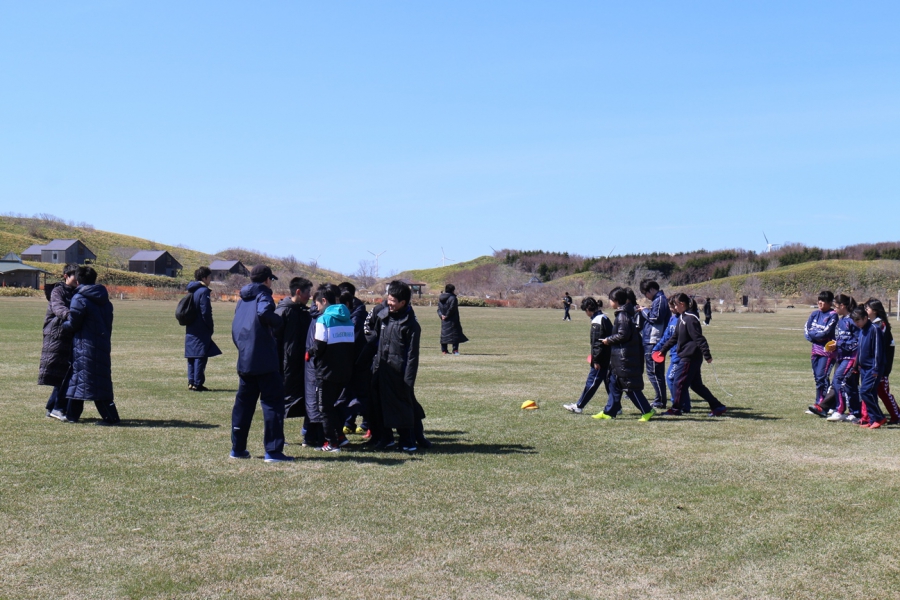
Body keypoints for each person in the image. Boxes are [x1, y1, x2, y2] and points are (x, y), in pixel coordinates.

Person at [229, 265, 292, 462]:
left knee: (244, 405)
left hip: (246, 359)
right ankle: (273, 451)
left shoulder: (241, 300)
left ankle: (238, 449)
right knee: (272, 403)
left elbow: (236, 328)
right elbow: (265, 313)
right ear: (266, 279)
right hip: (264, 360)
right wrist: (278, 322)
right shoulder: (263, 295)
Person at [370, 280, 425, 451]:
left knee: (402, 407)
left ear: (403, 302)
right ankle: (386, 439)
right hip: (381, 370)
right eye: (389, 299)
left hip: (399, 373)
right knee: (379, 405)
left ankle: (407, 440)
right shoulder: (383, 317)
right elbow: (375, 342)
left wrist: (408, 379)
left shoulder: (411, 325)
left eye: (393, 301)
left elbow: (412, 355)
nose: (389, 303)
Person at [61, 266, 120, 424]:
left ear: (78, 280)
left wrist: (63, 324)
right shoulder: (104, 298)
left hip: (85, 343)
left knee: (90, 379)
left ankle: (111, 417)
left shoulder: (79, 298)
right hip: (101, 342)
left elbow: (74, 323)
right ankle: (72, 415)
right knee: (83, 378)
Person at [656, 293, 727, 417]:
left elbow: (699, 339)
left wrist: (707, 355)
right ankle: (717, 406)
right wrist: (663, 350)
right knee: (696, 385)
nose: (674, 308)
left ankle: (676, 409)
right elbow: (675, 337)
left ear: (682, 304)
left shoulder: (690, 318)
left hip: (690, 357)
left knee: (678, 382)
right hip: (687, 356)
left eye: (675, 305)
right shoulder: (682, 317)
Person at [592, 287, 654, 421]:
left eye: (610, 299)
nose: (609, 302)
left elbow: (623, 335)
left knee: (629, 387)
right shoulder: (623, 313)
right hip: (619, 357)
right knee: (613, 384)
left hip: (624, 357)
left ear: (615, 301)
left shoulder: (622, 316)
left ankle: (647, 410)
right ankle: (609, 412)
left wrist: (609, 340)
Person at [308, 283, 356, 452]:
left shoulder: (324, 319)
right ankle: (340, 437)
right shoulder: (348, 318)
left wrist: (309, 353)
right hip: (344, 370)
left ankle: (331, 442)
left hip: (326, 370)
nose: (316, 307)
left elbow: (319, 345)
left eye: (317, 304)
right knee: (333, 405)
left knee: (324, 408)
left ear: (323, 301)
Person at [810, 295, 860, 421]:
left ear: (843, 306)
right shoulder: (841, 320)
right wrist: (834, 345)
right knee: (849, 385)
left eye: (836, 306)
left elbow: (857, 342)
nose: (834, 309)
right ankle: (855, 412)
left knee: (838, 381)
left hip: (851, 357)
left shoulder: (853, 321)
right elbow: (841, 339)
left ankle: (839, 410)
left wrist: (839, 344)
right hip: (841, 356)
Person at [40, 264, 78, 421]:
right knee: (66, 374)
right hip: (57, 335)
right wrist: (73, 316)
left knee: (66, 373)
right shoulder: (58, 291)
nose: (79, 280)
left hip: (69, 335)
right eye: (76, 276)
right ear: (66, 276)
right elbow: (58, 308)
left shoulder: (76, 292)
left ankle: (52, 407)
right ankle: (58, 407)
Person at [563, 297, 612, 414]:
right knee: (609, 383)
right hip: (609, 356)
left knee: (592, 382)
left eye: (585, 311)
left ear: (589, 309)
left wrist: (596, 360)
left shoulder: (597, 321)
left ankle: (579, 406)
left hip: (602, 358)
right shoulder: (604, 317)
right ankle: (615, 406)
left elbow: (597, 343)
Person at [274, 277, 312, 419]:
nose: (310, 296)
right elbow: (275, 340)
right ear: (298, 292)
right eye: (307, 292)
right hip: (286, 363)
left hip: (300, 362)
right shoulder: (283, 312)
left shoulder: (303, 312)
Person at [338, 281, 369, 434]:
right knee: (348, 392)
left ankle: (366, 423)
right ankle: (348, 422)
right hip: (348, 360)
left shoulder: (358, 313)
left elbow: (354, 337)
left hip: (358, 359)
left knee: (360, 392)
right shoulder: (351, 311)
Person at [184, 266, 222, 392]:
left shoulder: (191, 290)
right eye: (209, 277)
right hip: (201, 328)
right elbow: (205, 311)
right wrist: (210, 326)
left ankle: (191, 382)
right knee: (200, 355)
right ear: (204, 278)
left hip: (190, 327)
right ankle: (198, 383)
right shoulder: (203, 291)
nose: (210, 279)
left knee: (191, 355)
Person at [637, 279, 670, 409]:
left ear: (651, 290)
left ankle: (661, 400)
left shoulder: (660, 300)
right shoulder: (658, 300)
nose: (646, 297)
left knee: (654, 372)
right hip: (651, 340)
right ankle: (659, 399)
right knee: (655, 372)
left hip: (654, 340)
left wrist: (644, 310)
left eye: (646, 293)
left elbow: (655, 318)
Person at [864, 299, 898, 423]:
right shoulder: (869, 324)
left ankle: (897, 415)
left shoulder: (881, 325)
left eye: (867, 308)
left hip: (881, 366)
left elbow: (881, 348)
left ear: (875, 311)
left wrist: (882, 367)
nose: (865, 310)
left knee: (883, 391)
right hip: (871, 365)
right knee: (870, 391)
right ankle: (870, 416)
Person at [852, 306, 886, 429]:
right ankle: (872, 420)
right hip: (863, 368)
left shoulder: (874, 329)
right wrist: (856, 366)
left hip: (873, 368)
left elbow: (878, 350)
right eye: (854, 321)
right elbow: (859, 350)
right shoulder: (861, 330)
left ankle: (879, 417)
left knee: (865, 391)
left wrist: (876, 369)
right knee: (870, 393)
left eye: (858, 321)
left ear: (865, 318)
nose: (856, 323)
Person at [653, 296, 689, 412]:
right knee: (680, 381)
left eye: (672, 306)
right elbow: (666, 337)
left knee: (671, 378)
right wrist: (657, 349)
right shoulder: (672, 319)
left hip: (681, 355)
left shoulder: (685, 318)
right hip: (674, 355)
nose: (671, 309)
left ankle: (678, 404)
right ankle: (684, 405)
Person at [804, 291, 838, 413]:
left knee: (822, 378)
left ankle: (821, 405)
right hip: (815, 351)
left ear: (830, 303)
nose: (820, 302)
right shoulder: (815, 314)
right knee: (818, 378)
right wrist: (815, 336)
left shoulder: (833, 315)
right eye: (819, 299)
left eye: (823, 300)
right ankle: (828, 404)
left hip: (828, 353)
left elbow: (826, 332)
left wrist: (816, 335)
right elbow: (807, 330)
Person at [437, 284, 468, 354]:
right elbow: (452, 308)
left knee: (444, 335)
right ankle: (455, 350)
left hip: (444, 320)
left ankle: (444, 350)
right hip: (452, 319)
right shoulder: (453, 298)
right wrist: (447, 315)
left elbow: (438, 309)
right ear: (453, 290)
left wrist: (441, 316)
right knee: (455, 334)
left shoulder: (440, 298)